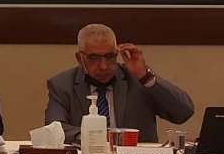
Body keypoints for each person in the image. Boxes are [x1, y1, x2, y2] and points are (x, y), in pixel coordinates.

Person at [44, 23, 194, 145]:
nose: (103, 66)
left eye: (110, 56)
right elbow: (54, 128)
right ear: (80, 58)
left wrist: (146, 78)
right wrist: (97, 137)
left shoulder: (138, 79)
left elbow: (183, 113)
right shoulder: (62, 84)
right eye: (94, 58)